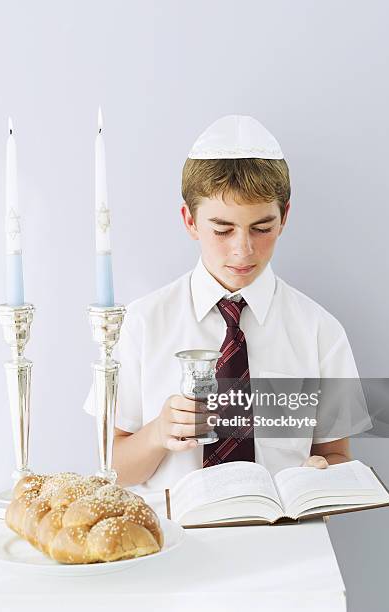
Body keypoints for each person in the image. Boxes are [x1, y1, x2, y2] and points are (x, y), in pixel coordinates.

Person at [83, 115, 371, 502]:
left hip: (284, 544)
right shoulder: (141, 324)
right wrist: (157, 433)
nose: (243, 249)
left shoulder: (320, 332)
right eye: (222, 230)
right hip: (176, 546)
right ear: (190, 220)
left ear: (284, 217)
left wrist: (322, 479)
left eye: (262, 228)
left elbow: (334, 454)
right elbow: (110, 466)